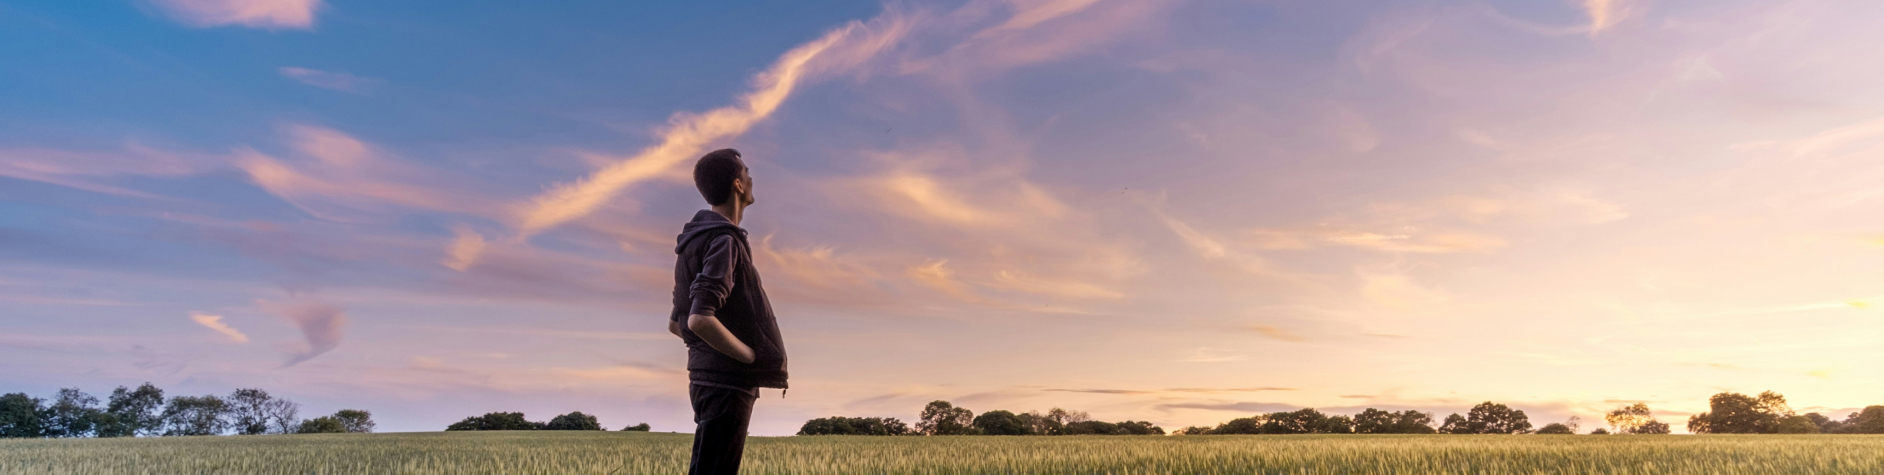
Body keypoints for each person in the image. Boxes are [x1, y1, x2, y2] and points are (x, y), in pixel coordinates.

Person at [668, 148, 789, 475]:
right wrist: (749, 357)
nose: (751, 179)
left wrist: (706, 353)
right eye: (747, 172)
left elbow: (675, 323)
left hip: (706, 380)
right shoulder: (724, 240)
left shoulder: (694, 240)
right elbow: (698, 319)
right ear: (738, 185)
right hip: (728, 383)